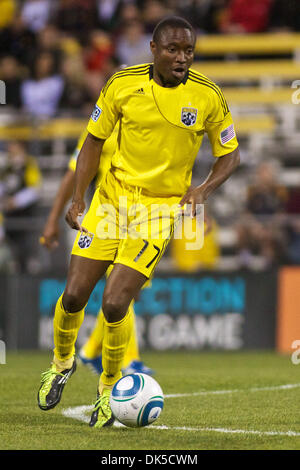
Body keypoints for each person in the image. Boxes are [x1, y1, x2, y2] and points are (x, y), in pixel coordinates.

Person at [37, 16, 240, 429]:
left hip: (159, 211)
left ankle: (108, 390)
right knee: (74, 296)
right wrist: (79, 198)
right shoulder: (122, 83)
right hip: (110, 203)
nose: (181, 58)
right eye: (173, 50)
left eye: (188, 51)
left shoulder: (207, 96)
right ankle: (60, 364)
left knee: (114, 303)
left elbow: (230, 153)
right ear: (153, 48)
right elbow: (93, 140)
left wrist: (202, 190)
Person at [40, 122, 154, 376]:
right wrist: (52, 220)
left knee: (128, 292)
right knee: (119, 289)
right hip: (107, 217)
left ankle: (91, 351)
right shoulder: (101, 128)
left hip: (144, 216)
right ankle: (128, 360)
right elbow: (73, 174)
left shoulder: (151, 121)